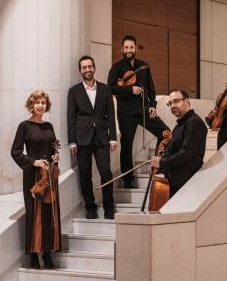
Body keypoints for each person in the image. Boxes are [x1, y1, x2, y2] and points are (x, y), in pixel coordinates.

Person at [108, 35, 170, 189]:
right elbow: (110, 88)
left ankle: (158, 166)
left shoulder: (144, 66)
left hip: (143, 109)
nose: (129, 50)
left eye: (131, 47)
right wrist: (130, 90)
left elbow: (151, 88)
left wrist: (153, 106)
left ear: (135, 48)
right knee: (127, 144)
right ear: (122, 49)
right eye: (126, 47)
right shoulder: (116, 67)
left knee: (164, 132)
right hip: (125, 112)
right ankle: (128, 179)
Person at [11, 90, 61, 270]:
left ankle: (47, 254)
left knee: (49, 213)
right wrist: (33, 162)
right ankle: (33, 256)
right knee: (34, 214)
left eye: (43, 102)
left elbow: (54, 149)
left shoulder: (49, 126)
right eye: (37, 102)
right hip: (33, 176)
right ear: (31, 105)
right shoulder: (24, 126)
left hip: (49, 175)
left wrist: (55, 158)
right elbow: (15, 152)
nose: (40, 105)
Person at [67, 55, 118, 220]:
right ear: (80, 70)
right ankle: (90, 207)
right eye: (84, 67)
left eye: (90, 66)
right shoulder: (74, 91)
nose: (87, 69)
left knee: (106, 172)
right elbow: (71, 118)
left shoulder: (105, 89)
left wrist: (113, 137)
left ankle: (109, 208)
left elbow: (110, 114)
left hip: (102, 138)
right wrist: (72, 141)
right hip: (82, 139)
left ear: (94, 68)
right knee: (85, 174)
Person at [150, 89, 207, 197]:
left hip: (186, 184)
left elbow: (185, 153)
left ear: (187, 101)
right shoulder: (179, 125)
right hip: (176, 182)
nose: (172, 106)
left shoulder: (194, 123)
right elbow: (172, 152)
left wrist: (161, 162)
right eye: (170, 103)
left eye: (176, 101)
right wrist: (159, 165)